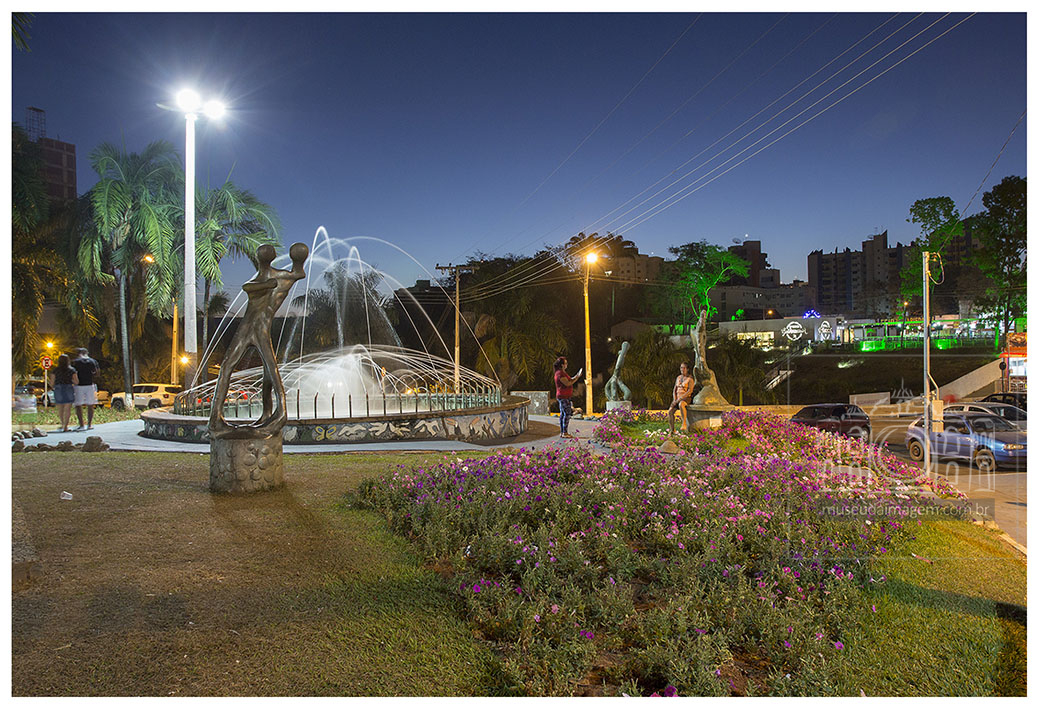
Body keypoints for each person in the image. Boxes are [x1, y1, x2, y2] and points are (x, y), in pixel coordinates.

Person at [553, 356, 583, 439]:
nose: (567, 365)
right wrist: (577, 378)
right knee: (566, 414)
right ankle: (564, 432)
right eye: (565, 363)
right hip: (563, 396)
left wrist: (576, 376)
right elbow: (568, 383)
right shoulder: (560, 374)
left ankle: (563, 432)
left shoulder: (563, 373)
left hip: (565, 396)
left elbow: (569, 380)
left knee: (563, 414)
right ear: (562, 365)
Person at [71, 347, 100, 430]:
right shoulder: (93, 361)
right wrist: (91, 375)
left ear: (79, 354)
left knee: (78, 405)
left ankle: (81, 425)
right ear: (87, 353)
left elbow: (72, 373)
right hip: (89, 385)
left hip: (78, 386)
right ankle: (89, 424)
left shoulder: (75, 362)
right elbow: (97, 373)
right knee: (90, 405)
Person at [50, 353, 79, 432]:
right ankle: (66, 426)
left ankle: (62, 424)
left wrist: (53, 386)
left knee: (60, 408)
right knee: (67, 409)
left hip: (58, 388)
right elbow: (76, 382)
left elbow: (52, 383)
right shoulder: (72, 370)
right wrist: (70, 380)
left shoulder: (55, 370)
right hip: (68, 388)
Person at [667, 362, 696, 435]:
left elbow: (690, 391)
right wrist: (674, 399)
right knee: (670, 411)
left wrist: (680, 399)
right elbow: (674, 390)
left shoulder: (690, 379)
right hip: (677, 399)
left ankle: (684, 423)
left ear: (687, 369)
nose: (682, 369)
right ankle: (672, 430)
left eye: (684, 368)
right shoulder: (678, 378)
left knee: (681, 404)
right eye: (681, 368)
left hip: (686, 398)